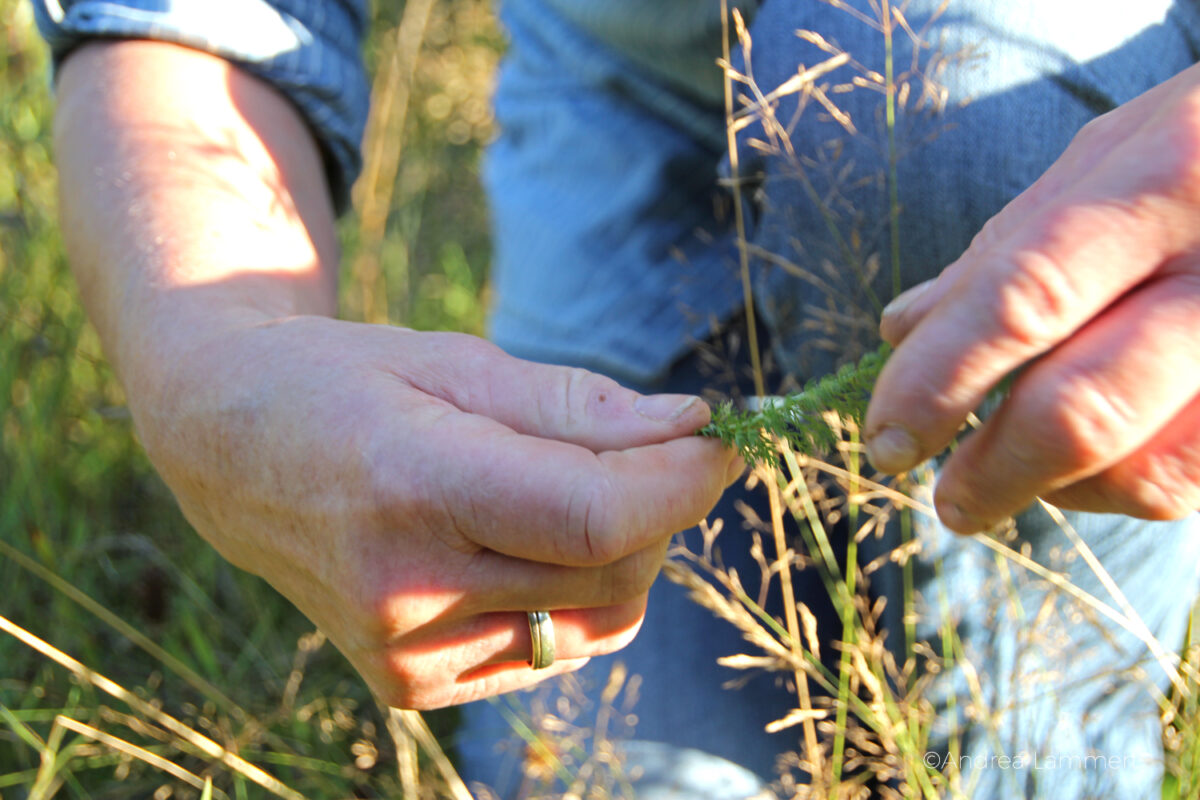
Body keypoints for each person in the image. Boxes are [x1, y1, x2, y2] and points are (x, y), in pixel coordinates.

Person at [31, 0, 1200, 797]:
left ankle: (1032, 728)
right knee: (605, 758)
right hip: (631, 98)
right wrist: (213, 361)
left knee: (962, 144)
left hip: (1076, 91)